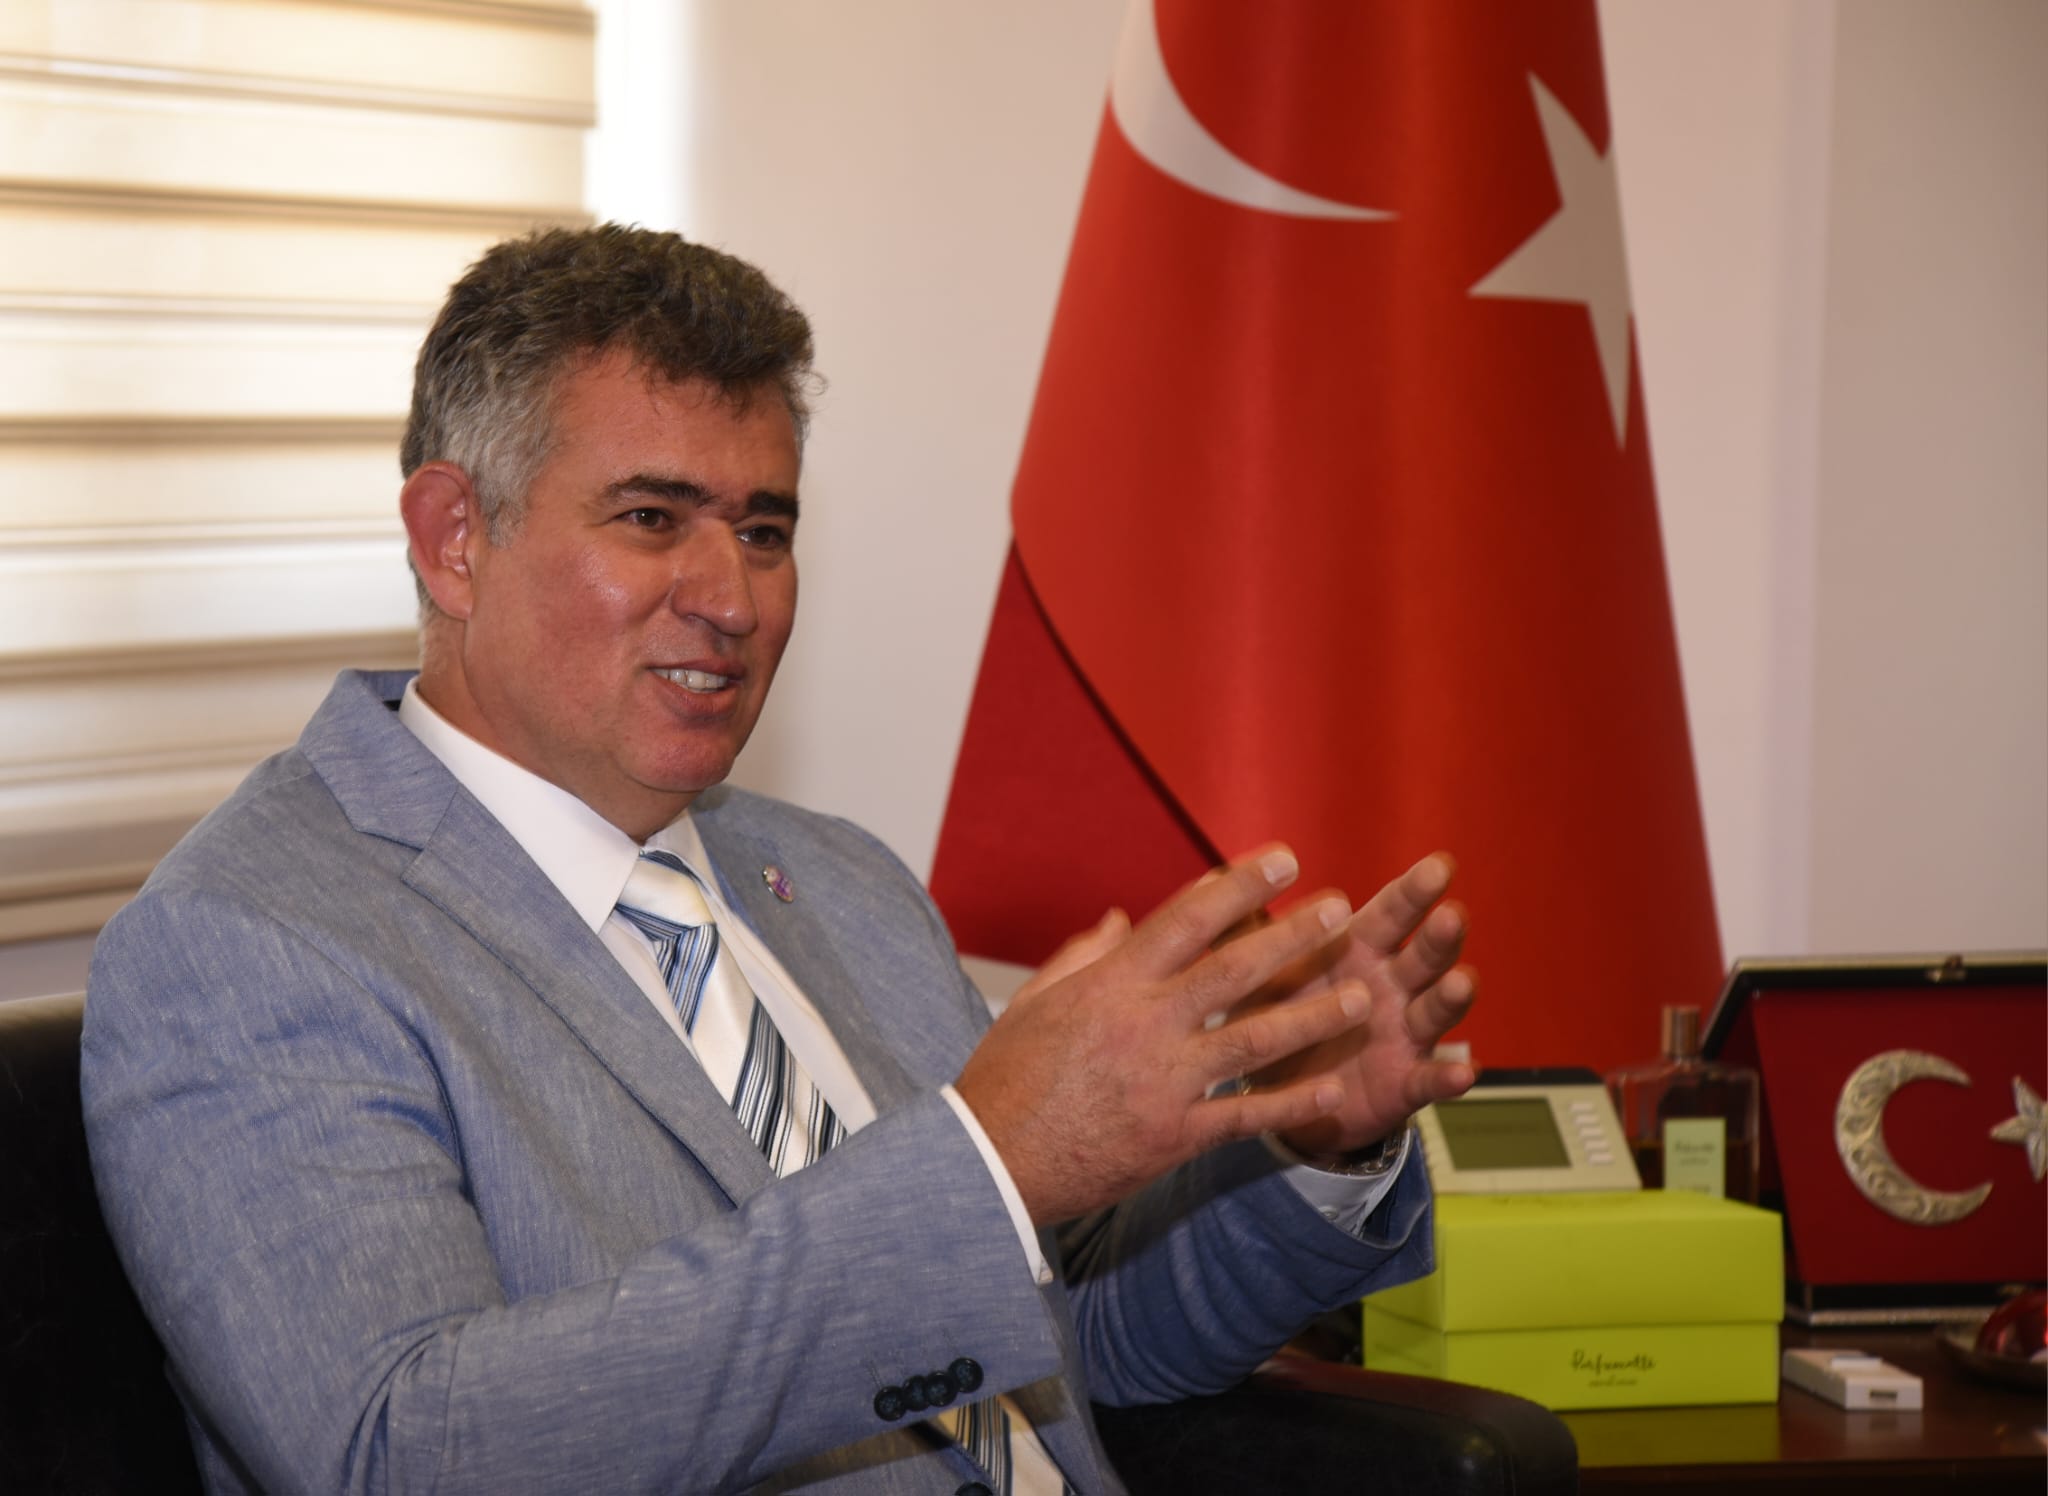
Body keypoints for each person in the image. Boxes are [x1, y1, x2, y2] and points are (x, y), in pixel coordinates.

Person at [83, 225, 1479, 1494]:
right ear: (455, 539)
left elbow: (1077, 1347)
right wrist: (985, 1162)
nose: (732, 598)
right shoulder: (248, 941)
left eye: (764, 531)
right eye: (652, 519)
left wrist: (1310, 1138)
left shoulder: (842, 882)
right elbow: (405, 1455)